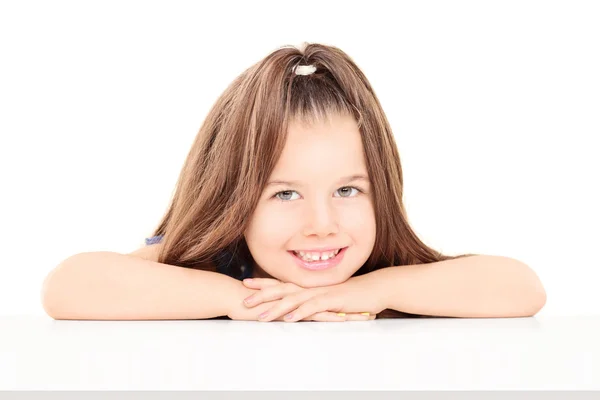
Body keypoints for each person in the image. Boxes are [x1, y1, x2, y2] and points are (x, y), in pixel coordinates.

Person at [41, 42, 546, 322]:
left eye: (347, 190)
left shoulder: (381, 266)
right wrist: (242, 300)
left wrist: (374, 290)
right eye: (285, 194)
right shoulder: (220, 260)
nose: (322, 225)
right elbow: (68, 286)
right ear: (231, 200)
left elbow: (522, 288)